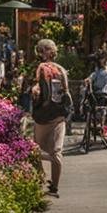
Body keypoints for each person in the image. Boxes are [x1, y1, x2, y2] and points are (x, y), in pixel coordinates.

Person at [30, 39, 71, 197]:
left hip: (43, 116)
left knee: (34, 150)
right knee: (57, 152)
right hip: (59, 115)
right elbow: (66, 92)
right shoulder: (61, 69)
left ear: (42, 52)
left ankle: (40, 179)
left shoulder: (41, 68)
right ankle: (54, 186)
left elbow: (36, 88)